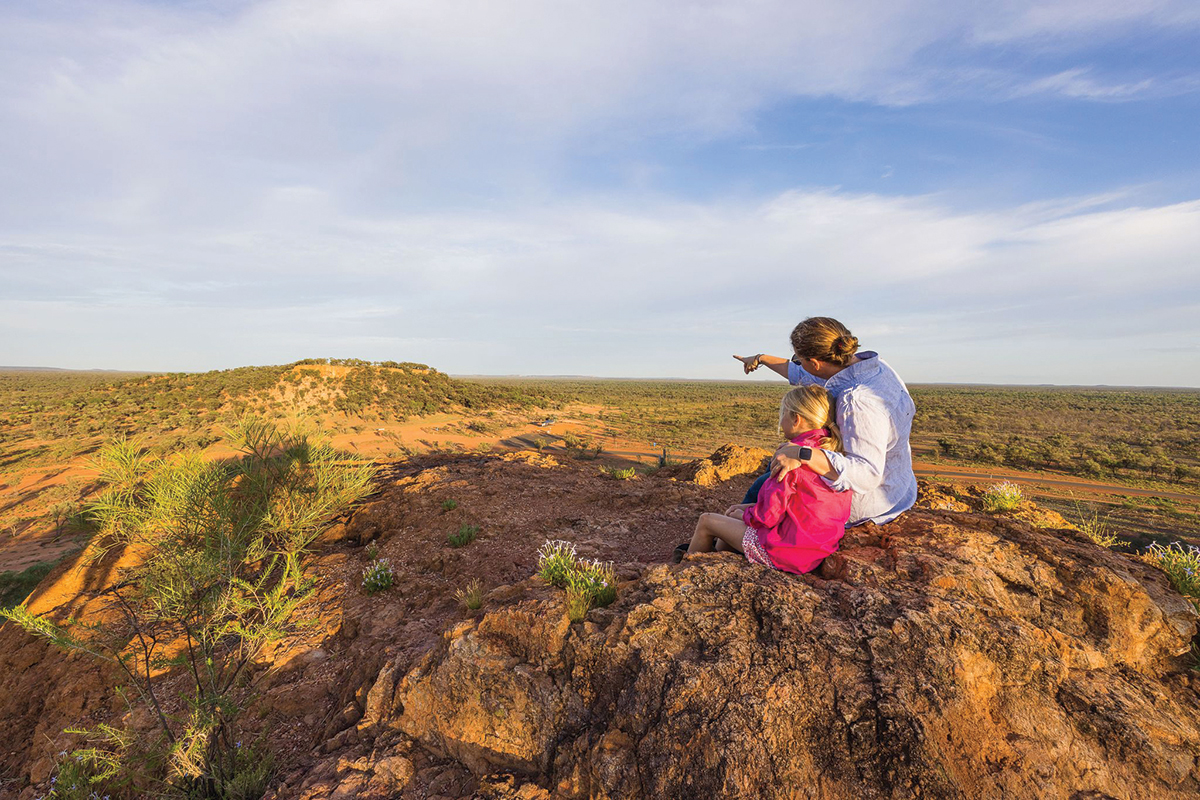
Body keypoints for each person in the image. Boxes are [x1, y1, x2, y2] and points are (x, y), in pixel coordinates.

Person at [733, 316, 916, 527]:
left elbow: (867, 475)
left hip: (872, 501)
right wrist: (761, 358)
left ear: (816, 363)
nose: (798, 365)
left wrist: (804, 455)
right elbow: (801, 374)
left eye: (799, 359)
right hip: (898, 484)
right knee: (772, 469)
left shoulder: (857, 400)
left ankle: (740, 538)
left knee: (771, 482)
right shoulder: (875, 368)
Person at [683, 385, 852, 573]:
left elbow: (768, 517)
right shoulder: (831, 455)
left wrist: (744, 515)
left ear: (796, 419)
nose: (781, 422)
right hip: (815, 549)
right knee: (732, 515)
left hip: (787, 552)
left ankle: (685, 573)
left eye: (783, 415)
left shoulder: (789, 458)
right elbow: (794, 506)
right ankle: (716, 562)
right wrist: (746, 509)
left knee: (707, 521)